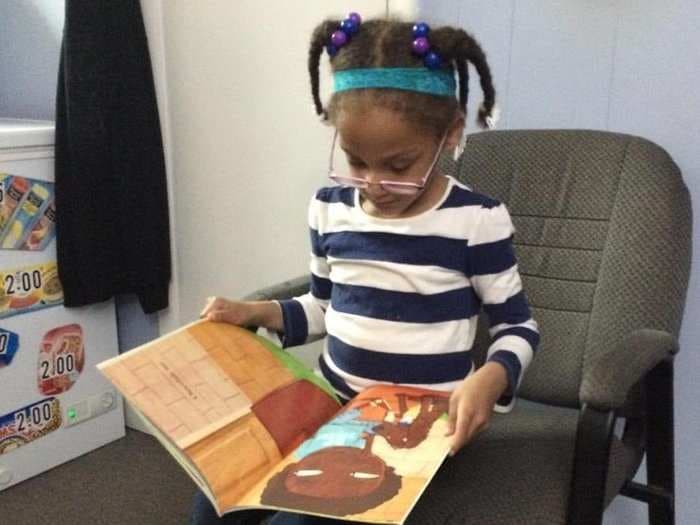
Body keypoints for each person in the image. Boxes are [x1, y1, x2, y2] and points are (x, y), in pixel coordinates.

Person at [191, 13, 539, 525]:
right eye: (356, 161)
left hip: (418, 427)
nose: (373, 183)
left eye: (399, 166)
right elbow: (324, 306)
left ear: (450, 135)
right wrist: (255, 312)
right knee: (215, 503)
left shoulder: (475, 221)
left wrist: (492, 376)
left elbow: (518, 327)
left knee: (296, 519)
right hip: (330, 407)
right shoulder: (329, 208)